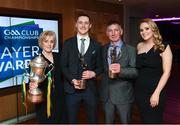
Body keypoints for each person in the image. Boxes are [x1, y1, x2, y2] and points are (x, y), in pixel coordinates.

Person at [61, 14, 102, 124]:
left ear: (90, 26)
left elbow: (101, 67)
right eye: (80, 22)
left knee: (93, 120)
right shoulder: (68, 43)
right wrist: (72, 80)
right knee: (71, 121)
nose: (83, 25)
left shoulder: (97, 45)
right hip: (71, 90)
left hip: (91, 90)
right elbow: (63, 66)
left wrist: (93, 73)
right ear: (76, 25)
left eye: (86, 23)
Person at [99, 20, 138, 124]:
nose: (113, 33)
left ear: (121, 31)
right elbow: (100, 68)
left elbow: (135, 72)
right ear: (107, 33)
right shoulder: (102, 49)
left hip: (124, 96)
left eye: (116, 30)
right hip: (106, 95)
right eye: (110, 31)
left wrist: (121, 70)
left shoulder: (131, 50)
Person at [135, 18, 173, 123]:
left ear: (153, 29)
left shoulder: (163, 46)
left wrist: (156, 93)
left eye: (147, 28)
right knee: (145, 120)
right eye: (141, 30)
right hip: (139, 91)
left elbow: (167, 72)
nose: (144, 32)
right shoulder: (139, 46)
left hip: (155, 91)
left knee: (154, 121)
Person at [29, 30, 67, 124]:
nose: (49, 44)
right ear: (41, 42)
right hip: (44, 100)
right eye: (46, 41)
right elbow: (31, 81)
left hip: (60, 97)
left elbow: (65, 75)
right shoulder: (36, 60)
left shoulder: (59, 56)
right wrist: (31, 86)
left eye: (52, 41)